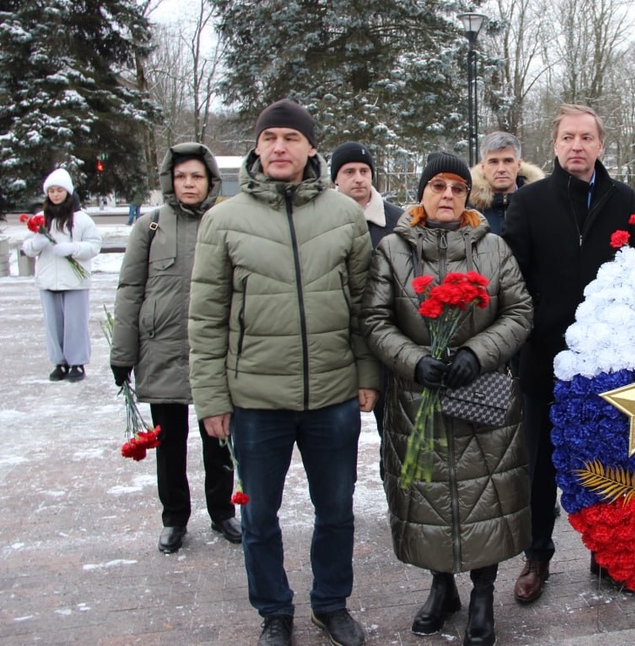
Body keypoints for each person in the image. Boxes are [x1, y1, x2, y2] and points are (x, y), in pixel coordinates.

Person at [188, 100, 380, 646]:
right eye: (269, 137)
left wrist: (367, 372)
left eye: (291, 139)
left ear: (310, 148)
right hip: (254, 399)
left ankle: (330, 603)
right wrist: (212, 399)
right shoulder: (223, 221)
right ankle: (274, 610)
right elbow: (205, 318)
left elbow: (365, 303)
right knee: (260, 516)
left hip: (333, 392)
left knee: (336, 509)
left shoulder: (344, 214)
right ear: (256, 146)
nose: (279, 147)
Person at [363, 151, 532, 646]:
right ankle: (442, 587)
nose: (448, 196)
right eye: (438, 186)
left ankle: (482, 593)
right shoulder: (393, 251)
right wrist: (414, 360)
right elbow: (374, 320)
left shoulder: (493, 247)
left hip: (481, 394)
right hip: (418, 399)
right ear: (422, 193)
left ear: (467, 195)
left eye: (458, 188)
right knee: (429, 498)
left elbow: (519, 312)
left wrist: (477, 353)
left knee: (488, 496)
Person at [501, 103, 635, 604]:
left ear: (600, 145)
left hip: (607, 361)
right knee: (540, 465)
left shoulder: (622, 198)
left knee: (604, 458)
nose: (576, 146)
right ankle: (537, 555)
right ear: (555, 145)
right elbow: (511, 278)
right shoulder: (530, 201)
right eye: (567, 138)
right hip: (546, 359)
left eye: (586, 138)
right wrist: (529, 334)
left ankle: (607, 553)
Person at [110, 143, 239, 555]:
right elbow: (130, 290)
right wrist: (122, 353)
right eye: (182, 176)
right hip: (161, 349)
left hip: (214, 351)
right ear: (170, 180)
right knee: (169, 443)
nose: (189, 184)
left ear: (209, 182)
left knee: (218, 439)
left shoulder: (225, 223)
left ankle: (222, 512)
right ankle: (174, 518)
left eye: (196, 177)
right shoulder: (149, 226)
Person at [330, 140, 406, 452]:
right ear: (336, 178)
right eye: (349, 171)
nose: (359, 178)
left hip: (385, 341)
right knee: (336, 438)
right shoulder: (321, 219)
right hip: (335, 342)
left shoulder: (398, 221)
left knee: (393, 431)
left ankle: (394, 492)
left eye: (364, 171)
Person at [21, 168, 102, 382]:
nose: (55, 195)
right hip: (48, 279)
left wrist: (73, 249)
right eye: (52, 191)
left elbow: (94, 245)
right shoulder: (40, 219)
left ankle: (77, 362)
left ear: (68, 192)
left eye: (60, 190)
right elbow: (27, 247)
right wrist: (37, 244)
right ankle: (59, 362)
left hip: (74, 280)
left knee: (75, 323)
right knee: (53, 324)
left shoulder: (81, 219)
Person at [469, 131, 545, 235]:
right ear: (483, 167)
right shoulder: (469, 211)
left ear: (518, 165)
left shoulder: (540, 204)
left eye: (508, 161)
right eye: (493, 162)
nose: (501, 169)